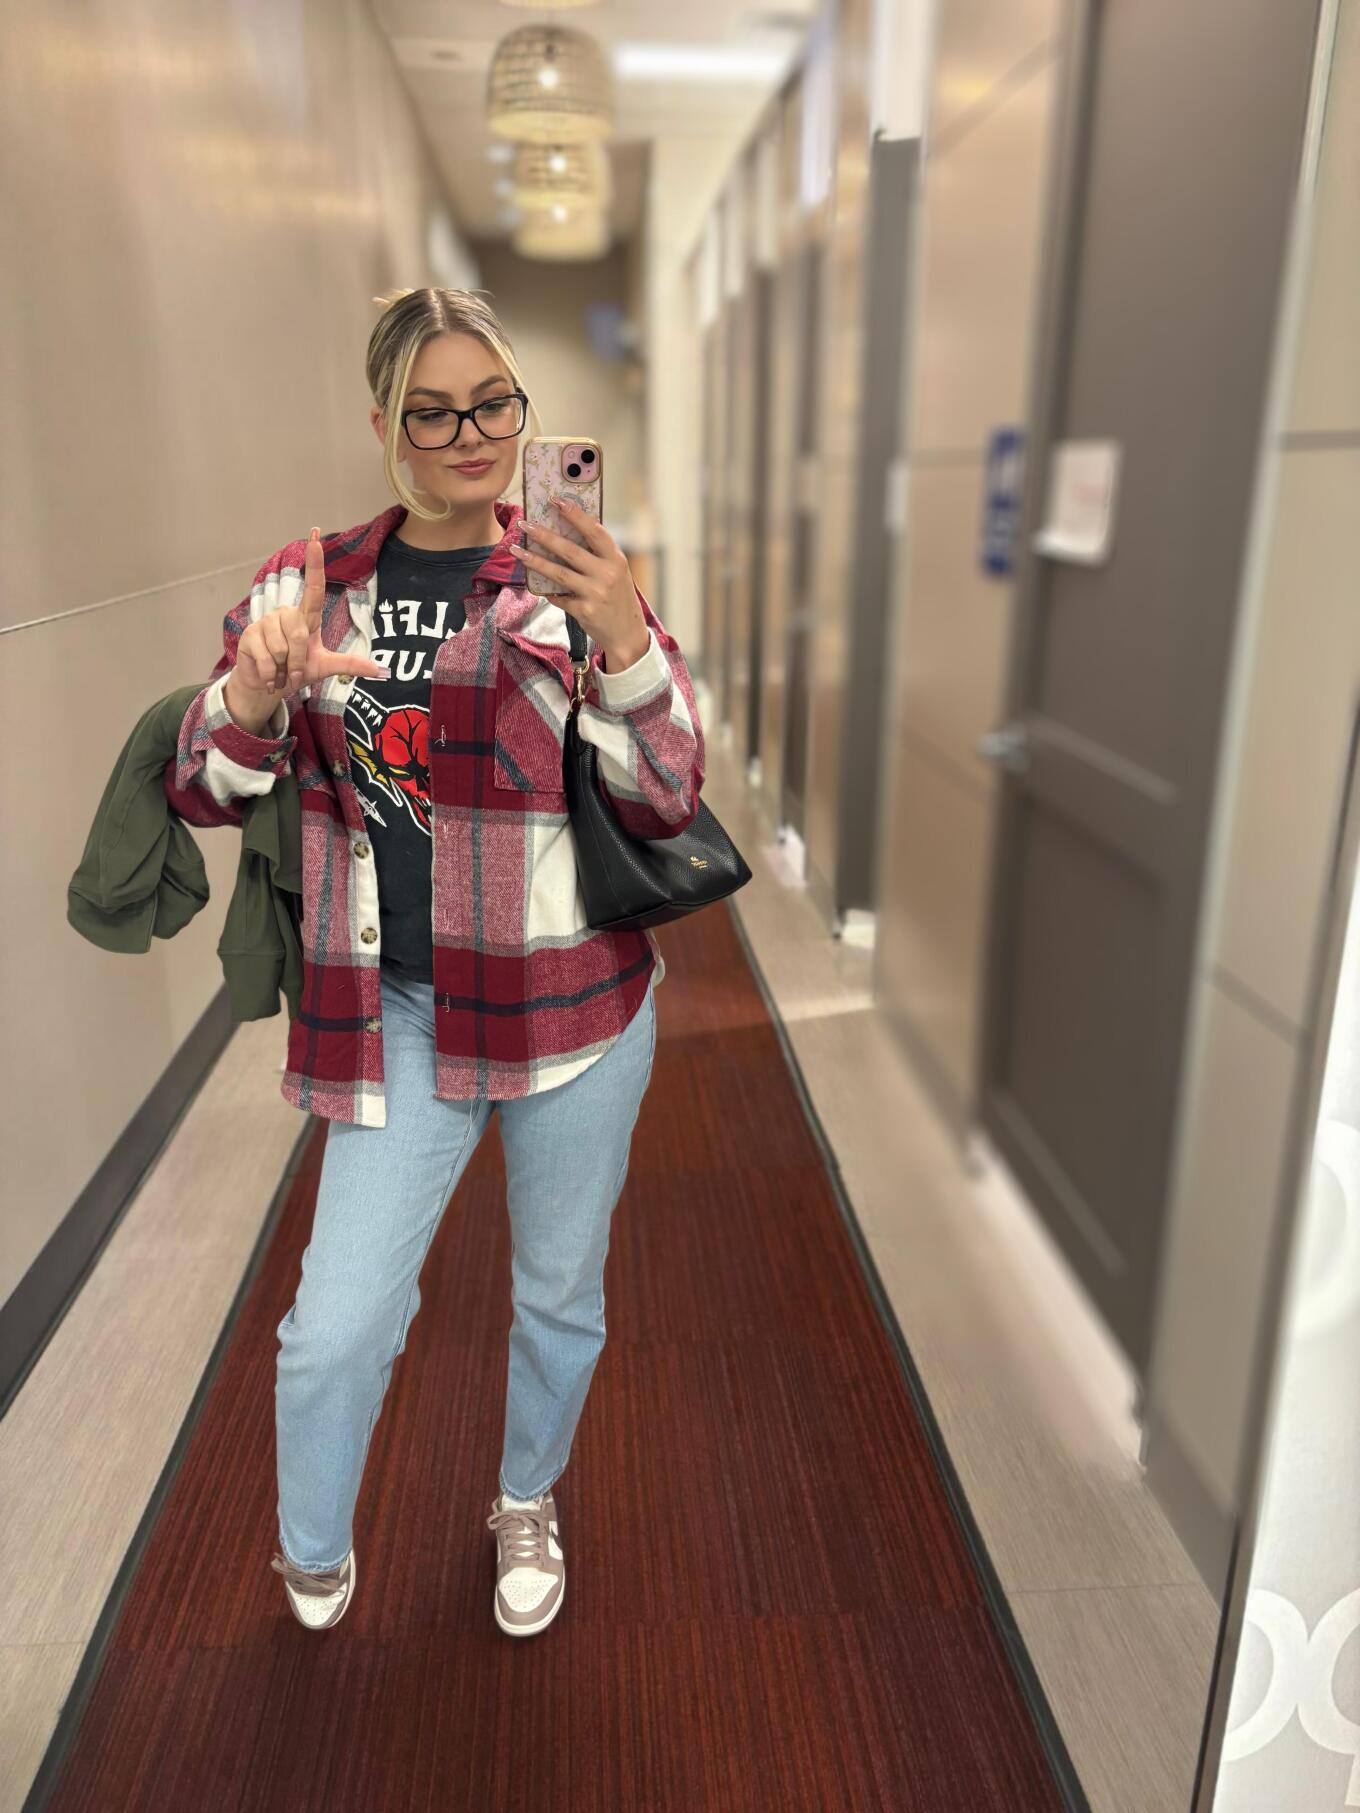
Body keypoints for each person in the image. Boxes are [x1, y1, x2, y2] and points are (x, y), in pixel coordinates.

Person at [170, 287, 704, 1639]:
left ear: (523, 413)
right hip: (399, 1011)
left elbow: (667, 795)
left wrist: (625, 640)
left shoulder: (567, 574)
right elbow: (205, 788)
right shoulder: (312, 583)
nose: (469, 435)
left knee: (558, 1292)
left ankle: (527, 1495)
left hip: (574, 1006)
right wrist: (254, 693)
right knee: (335, 1324)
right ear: (384, 426)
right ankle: (311, 1545)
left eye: (493, 405)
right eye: (432, 412)